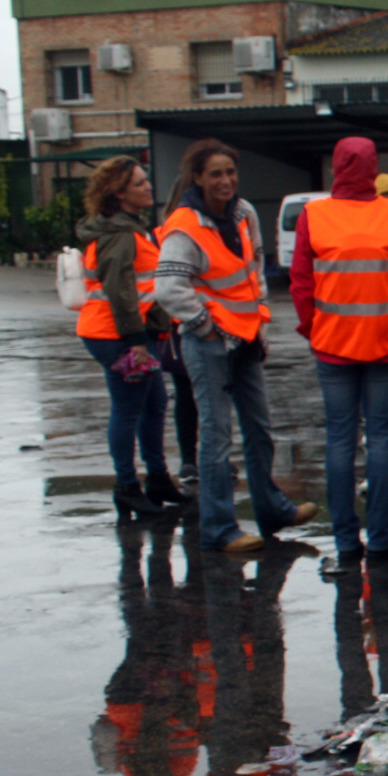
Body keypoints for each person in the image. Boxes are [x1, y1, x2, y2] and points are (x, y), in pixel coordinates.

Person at [154, 139, 319, 554]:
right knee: (216, 436)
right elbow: (168, 288)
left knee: (259, 429)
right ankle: (219, 528)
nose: (226, 180)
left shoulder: (244, 214)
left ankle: (273, 508)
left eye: (230, 172)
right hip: (208, 342)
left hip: (245, 336)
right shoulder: (185, 225)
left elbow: (255, 269)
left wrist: (259, 318)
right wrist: (204, 325)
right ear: (197, 178)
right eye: (215, 174)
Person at [291, 136, 388, 577]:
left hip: (332, 345)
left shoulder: (314, 215)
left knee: (339, 440)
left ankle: (346, 541)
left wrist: (312, 329)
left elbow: (300, 282)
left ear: (336, 169)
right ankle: (383, 537)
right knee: (384, 440)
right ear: (374, 171)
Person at [76, 155, 181, 521]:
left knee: (154, 404)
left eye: (145, 180)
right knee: (128, 409)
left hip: (127, 332)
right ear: (118, 194)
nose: (148, 187)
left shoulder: (130, 228)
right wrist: (137, 340)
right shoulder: (120, 235)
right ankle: (127, 487)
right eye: (138, 183)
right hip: (117, 335)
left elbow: (143, 287)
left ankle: (157, 480)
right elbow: (121, 292)